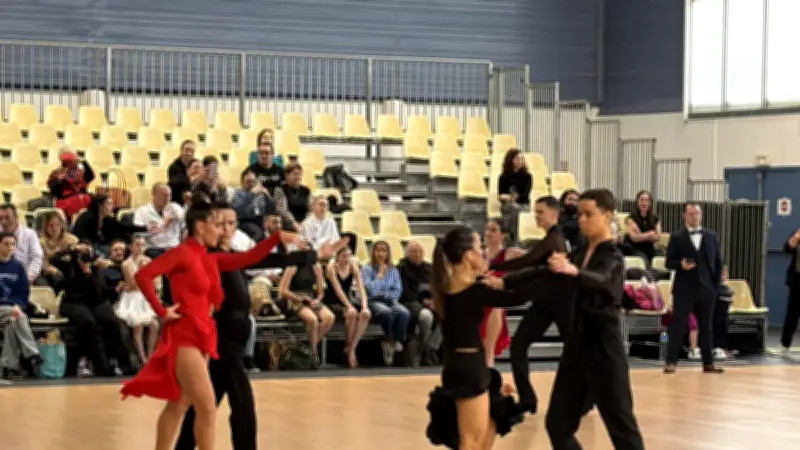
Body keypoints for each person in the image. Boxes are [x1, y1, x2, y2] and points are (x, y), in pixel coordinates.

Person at [120, 197, 305, 450]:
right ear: (201, 226)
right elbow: (144, 275)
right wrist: (161, 310)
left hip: (204, 334)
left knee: (180, 403)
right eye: (217, 225)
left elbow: (249, 258)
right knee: (206, 407)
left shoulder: (209, 258)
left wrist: (276, 238)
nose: (221, 231)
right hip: (185, 334)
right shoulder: (182, 254)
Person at [175, 203, 321, 450]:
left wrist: (306, 255)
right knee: (243, 402)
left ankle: (183, 446)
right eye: (220, 223)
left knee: (206, 403)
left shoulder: (231, 254)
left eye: (231, 223)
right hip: (222, 341)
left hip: (235, 338)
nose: (226, 228)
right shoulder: (210, 256)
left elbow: (260, 259)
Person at [542, 188, 644, 450]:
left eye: (589, 214)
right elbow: (551, 274)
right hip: (577, 349)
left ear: (608, 215)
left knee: (622, 428)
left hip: (605, 351)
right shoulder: (580, 251)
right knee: (557, 424)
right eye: (580, 215)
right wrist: (506, 280)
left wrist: (574, 272)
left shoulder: (613, 256)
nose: (582, 220)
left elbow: (602, 280)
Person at [425, 226, 529, 450]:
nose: (482, 251)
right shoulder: (473, 290)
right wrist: (549, 277)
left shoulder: (447, 286)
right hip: (469, 369)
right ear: (467, 255)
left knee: (490, 425)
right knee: (471, 443)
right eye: (478, 247)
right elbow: (517, 298)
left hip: (465, 365)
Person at [489, 197, 570, 414]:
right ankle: (527, 399)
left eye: (540, 212)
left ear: (554, 213)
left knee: (575, 351)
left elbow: (528, 263)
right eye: (535, 212)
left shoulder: (555, 239)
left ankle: (585, 398)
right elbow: (534, 269)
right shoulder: (551, 239)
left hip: (563, 305)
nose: (536, 216)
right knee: (518, 347)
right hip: (545, 303)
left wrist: (495, 265)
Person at [663, 201, 725, 374]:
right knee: (678, 325)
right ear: (684, 216)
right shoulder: (677, 237)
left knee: (706, 326)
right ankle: (671, 361)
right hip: (684, 288)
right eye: (690, 214)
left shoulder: (711, 236)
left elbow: (718, 262)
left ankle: (708, 363)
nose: (694, 217)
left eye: (697, 213)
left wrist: (715, 286)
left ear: (701, 215)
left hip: (706, 289)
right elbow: (668, 262)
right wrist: (680, 265)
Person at [51, 241, 127, 377]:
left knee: (111, 321)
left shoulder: (97, 268)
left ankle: (114, 359)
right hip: (73, 302)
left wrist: (88, 272)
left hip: (95, 301)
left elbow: (99, 292)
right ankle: (85, 359)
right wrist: (72, 247)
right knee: (88, 322)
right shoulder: (69, 267)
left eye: (87, 253)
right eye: (82, 253)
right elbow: (53, 258)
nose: (84, 256)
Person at [481, 219, 524, 367]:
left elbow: (535, 258)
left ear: (503, 234)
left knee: (488, 349)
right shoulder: (479, 254)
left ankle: (489, 367)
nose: (488, 233)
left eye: (493, 230)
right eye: (487, 229)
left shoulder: (510, 253)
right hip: (479, 301)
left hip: (496, 303)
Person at [361, 240, 410, 366]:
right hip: (373, 301)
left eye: (384, 251)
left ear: (388, 253)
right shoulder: (366, 269)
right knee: (385, 312)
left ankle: (394, 341)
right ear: (373, 252)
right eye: (378, 250)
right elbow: (371, 290)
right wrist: (380, 275)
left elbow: (397, 291)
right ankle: (389, 340)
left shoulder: (394, 270)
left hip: (390, 300)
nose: (381, 253)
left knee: (404, 312)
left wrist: (385, 294)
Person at [0, 232, 41, 380]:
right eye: (6, 244)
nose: (10, 247)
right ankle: (32, 353)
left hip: (12, 310)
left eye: (13, 244)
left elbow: (23, 292)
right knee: (18, 316)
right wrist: (13, 308)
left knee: (14, 322)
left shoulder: (18, 267)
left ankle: (7, 367)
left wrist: (17, 306)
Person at [323, 245, 372, 368]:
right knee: (351, 314)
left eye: (349, 256)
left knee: (366, 315)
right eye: (344, 256)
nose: (347, 259)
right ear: (337, 257)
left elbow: (361, 288)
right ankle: (350, 349)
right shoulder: (331, 267)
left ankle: (351, 347)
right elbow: (338, 290)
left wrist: (365, 306)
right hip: (332, 301)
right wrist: (349, 306)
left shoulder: (352, 266)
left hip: (347, 300)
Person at [114, 235, 159, 366]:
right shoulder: (126, 263)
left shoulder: (148, 260)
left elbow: (154, 282)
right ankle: (142, 357)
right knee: (137, 326)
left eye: (142, 245)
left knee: (154, 325)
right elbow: (133, 284)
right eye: (137, 245)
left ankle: (150, 355)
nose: (140, 248)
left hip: (144, 296)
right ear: (131, 247)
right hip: (132, 298)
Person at [398, 240, 439, 366]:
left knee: (449, 314)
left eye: (420, 251)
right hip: (411, 302)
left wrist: (434, 301)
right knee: (426, 316)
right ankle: (426, 351)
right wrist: (424, 302)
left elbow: (437, 288)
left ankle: (429, 346)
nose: (418, 254)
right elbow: (404, 292)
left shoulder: (430, 268)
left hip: (431, 302)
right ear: (407, 253)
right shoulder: (401, 268)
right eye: (414, 252)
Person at [48, 147, 95, 220]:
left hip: (81, 199)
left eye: (71, 154)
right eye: (66, 155)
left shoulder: (80, 171)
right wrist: (60, 180)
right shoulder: (56, 173)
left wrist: (84, 162)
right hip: (64, 201)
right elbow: (54, 191)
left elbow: (90, 176)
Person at [497, 148, 532, 244]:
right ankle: (515, 239)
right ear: (510, 160)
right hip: (508, 204)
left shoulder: (527, 176)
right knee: (514, 208)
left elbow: (526, 194)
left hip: (523, 204)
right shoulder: (503, 177)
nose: (520, 161)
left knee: (516, 212)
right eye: (517, 158)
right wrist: (510, 198)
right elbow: (500, 195)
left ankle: (511, 236)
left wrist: (514, 197)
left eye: (521, 159)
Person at [624, 190, 661, 264]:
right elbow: (634, 238)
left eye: (647, 200)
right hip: (635, 248)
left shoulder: (655, 218)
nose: (644, 203)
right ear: (637, 202)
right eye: (641, 200)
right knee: (644, 263)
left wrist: (642, 235)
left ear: (650, 203)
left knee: (662, 262)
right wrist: (649, 234)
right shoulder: (631, 218)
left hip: (650, 248)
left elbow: (658, 237)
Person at [781, 228, 800, 354]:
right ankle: (785, 345)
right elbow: (787, 248)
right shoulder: (797, 233)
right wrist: (796, 237)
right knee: (792, 314)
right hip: (798, 280)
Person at [167, 140, 197, 205]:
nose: (189, 153)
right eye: (186, 150)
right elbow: (177, 184)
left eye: (192, 151)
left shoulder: (197, 164)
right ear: (181, 151)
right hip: (178, 201)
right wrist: (193, 177)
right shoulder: (173, 167)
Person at [713, 266, 733, 360]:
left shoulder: (726, 287)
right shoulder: (715, 286)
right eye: (722, 272)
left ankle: (722, 347)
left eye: (726, 272)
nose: (725, 274)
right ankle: (717, 347)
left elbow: (730, 296)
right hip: (716, 314)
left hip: (724, 314)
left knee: (724, 326)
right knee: (718, 325)